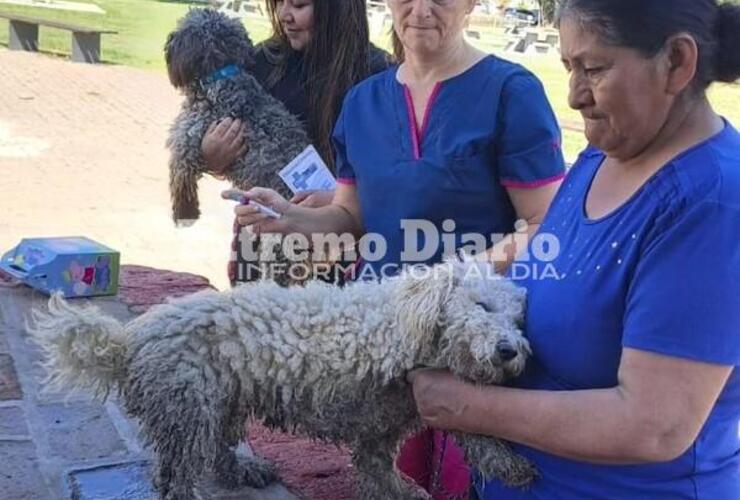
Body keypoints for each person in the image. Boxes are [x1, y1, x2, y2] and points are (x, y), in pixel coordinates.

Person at [404, 0, 740, 498]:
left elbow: (653, 424)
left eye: (594, 68)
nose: (575, 95)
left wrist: (462, 405)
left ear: (677, 62)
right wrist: (449, 278)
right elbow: (560, 244)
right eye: (568, 67)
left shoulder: (713, 202)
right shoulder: (607, 150)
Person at [231, 0, 566, 496]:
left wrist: (456, 275)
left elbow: (544, 224)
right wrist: (288, 217)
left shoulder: (510, 93)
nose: (421, 8)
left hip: (471, 344)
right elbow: (350, 218)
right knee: (391, 476)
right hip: (383, 342)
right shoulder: (363, 102)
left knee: (468, 481)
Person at [202, 0, 391, 284]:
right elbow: (225, 144)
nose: (283, 16)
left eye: (299, 5)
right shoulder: (262, 62)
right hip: (259, 246)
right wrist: (212, 157)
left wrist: (342, 204)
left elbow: (394, 178)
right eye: (278, 3)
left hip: (339, 257)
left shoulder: (380, 77)